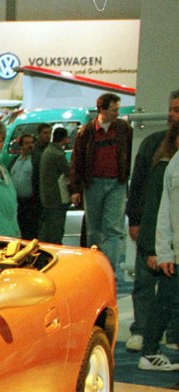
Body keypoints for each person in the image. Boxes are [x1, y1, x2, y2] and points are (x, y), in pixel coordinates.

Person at [125, 89, 179, 352]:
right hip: (149, 225)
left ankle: (170, 334)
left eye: (177, 110)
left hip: (170, 233)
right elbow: (138, 187)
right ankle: (141, 331)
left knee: (170, 292)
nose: (171, 114)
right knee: (145, 283)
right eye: (171, 109)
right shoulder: (152, 144)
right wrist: (134, 220)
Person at [69, 92, 133, 271]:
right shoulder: (87, 132)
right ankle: (95, 267)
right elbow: (77, 160)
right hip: (93, 184)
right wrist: (75, 189)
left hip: (116, 183)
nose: (117, 113)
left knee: (114, 228)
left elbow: (129, 153)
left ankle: (110, 269)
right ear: (102, 110)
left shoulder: (124, 129)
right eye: (114, 110)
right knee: (94, 228)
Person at [145, 128, 179, 370]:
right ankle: (149, 351)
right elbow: (164, 212)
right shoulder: (174, 165)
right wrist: (164, 251)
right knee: (164, 302)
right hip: (176, 253)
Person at [38, 126, 72, 244]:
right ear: (65, 139)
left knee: (47, 229)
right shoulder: (58, 154)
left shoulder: (48, 151)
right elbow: (70, 171)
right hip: (56, 198)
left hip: (47, 197)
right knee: (56, 231)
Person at [9, 133, 39, 239]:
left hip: (30, 203)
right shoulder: (15, 160)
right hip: (17, 202)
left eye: (31, 143)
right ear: (21, 145)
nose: (30, 146)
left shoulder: (35, 160)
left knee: (29, 233)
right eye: (26, 143)